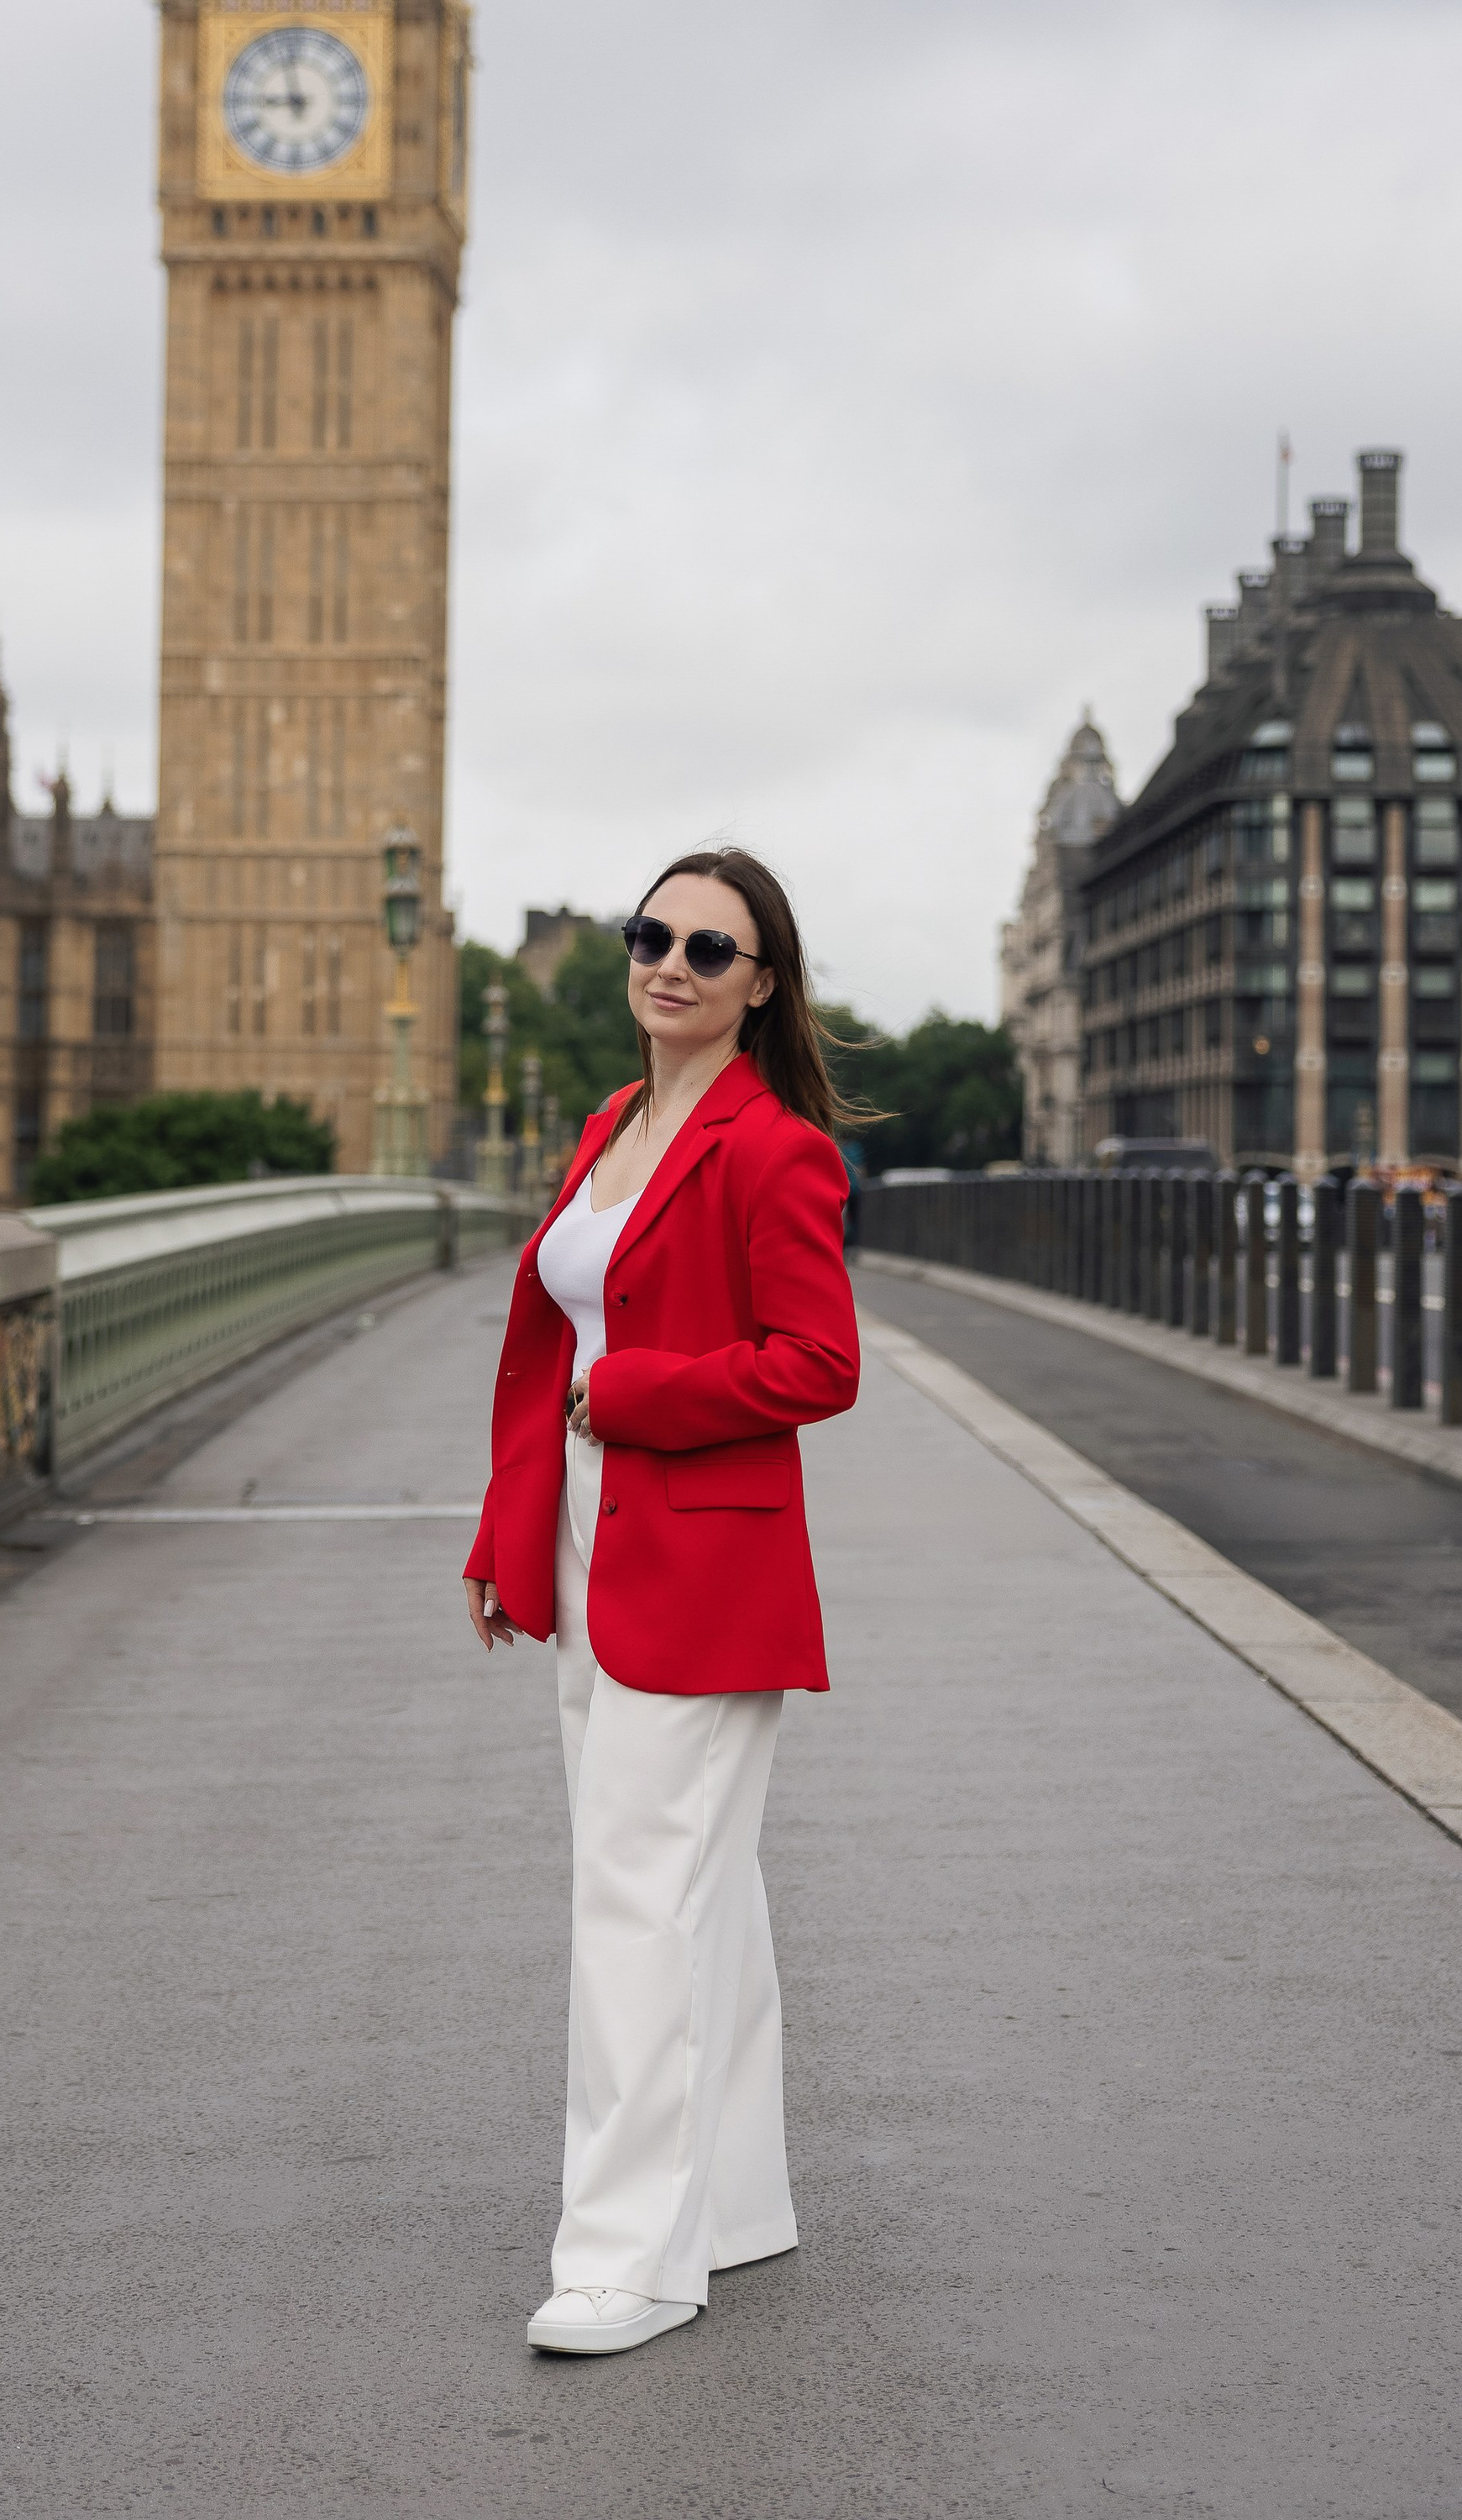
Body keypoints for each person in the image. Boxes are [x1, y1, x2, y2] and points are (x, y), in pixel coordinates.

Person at [464, 847, 862, 2358]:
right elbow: (541, 1357)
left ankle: (631, 2259)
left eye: (711, 945)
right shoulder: (612, 1123)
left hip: (700, 1550)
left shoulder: (778, 1152)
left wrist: (638, 1396)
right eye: (653, 936)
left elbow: (817, 1366)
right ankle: (738, 2202)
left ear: (762, 983)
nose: (671, 963)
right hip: (583, 1536)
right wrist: (509, 1540)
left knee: (640, 1896)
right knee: (700, 1884)